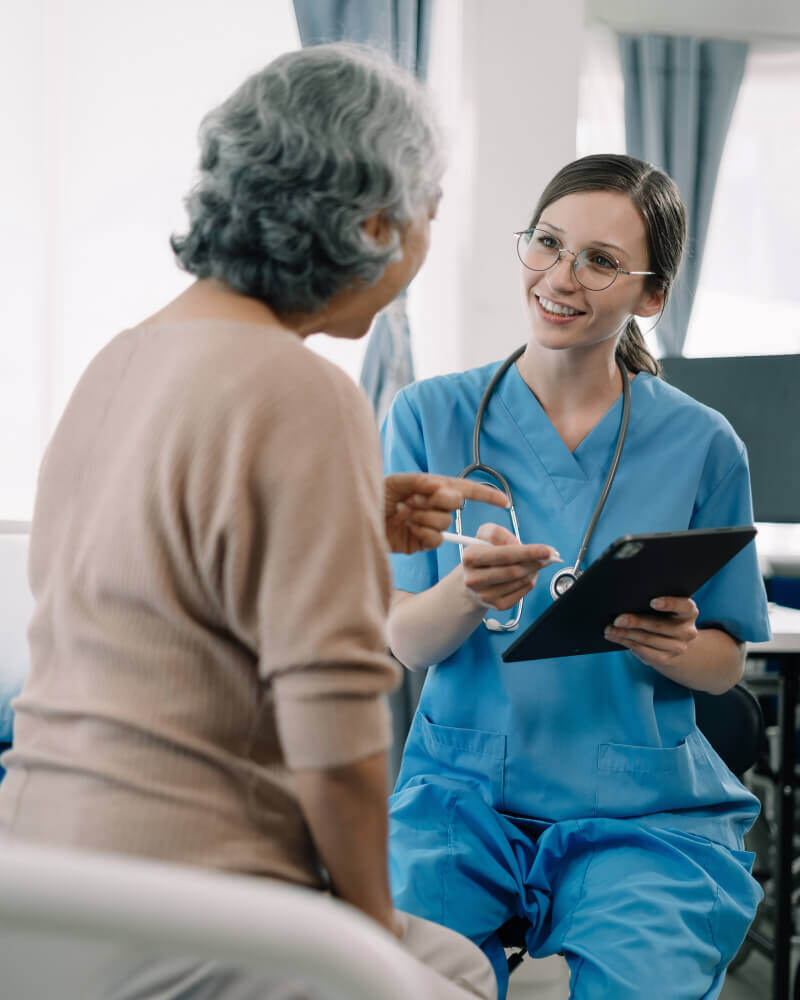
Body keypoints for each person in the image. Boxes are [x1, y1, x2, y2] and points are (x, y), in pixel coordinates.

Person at [0, 43, 501, 1000]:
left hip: (37, 891)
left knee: (460, 958)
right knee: (447, 976)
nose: (429, 237)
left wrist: (344, 512)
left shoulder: (124, 358)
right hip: (178, 912)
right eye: (431, 209)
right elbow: (342, 747)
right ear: (372, 225)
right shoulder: (301, 392)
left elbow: (161, 575)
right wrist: (368, 943)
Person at [382, 153, 771, 1000]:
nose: (562, 278)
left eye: (600, 260)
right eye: (547, 244)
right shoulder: (427, 416)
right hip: (460, 797)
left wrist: (672, 645)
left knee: (645, 984)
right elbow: (404, 639)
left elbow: (726, 661)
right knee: (403, 982)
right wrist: (468, 591)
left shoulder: (704, 445)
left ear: (652, 295)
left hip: (639, 810)